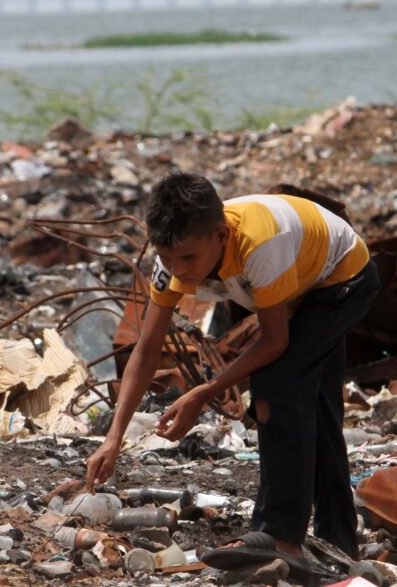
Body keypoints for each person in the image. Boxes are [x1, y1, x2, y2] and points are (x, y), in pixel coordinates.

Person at [84, 172, 381, 560]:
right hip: (303, 277)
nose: (179, 270)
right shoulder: (170, 264)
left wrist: (203, 392)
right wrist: (113, 437)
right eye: (168, 258)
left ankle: (279, 537)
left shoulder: (259, 245)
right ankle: (340, 544)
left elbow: (275, 342)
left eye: (188, 258)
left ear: (221, 236)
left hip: (344, 278)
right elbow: (146, 349)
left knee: (277, 384)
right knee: (319, 413)